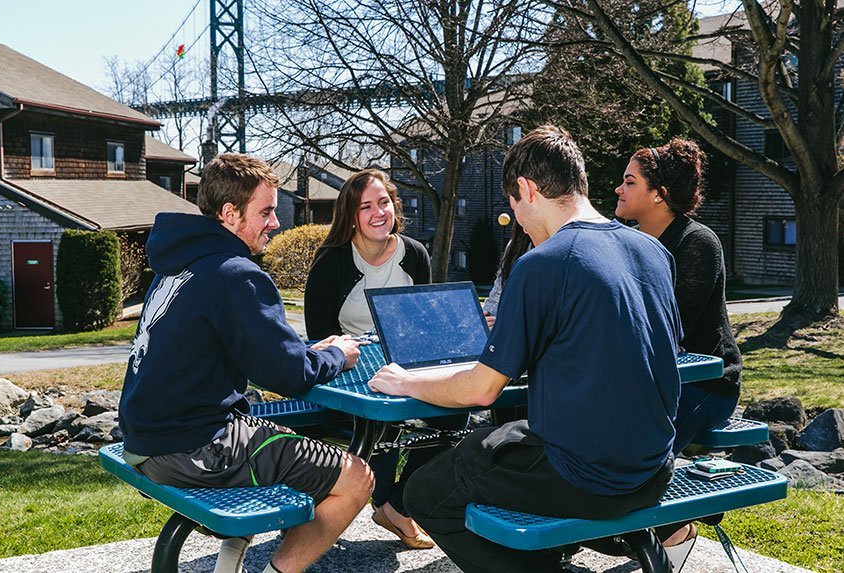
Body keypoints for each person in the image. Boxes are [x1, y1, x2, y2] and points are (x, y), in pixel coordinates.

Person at [369, 125, 684, 572]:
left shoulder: (542, 264)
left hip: (589, 478)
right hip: (655, 469)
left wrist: (407, 381)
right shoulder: (651, 251)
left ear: (527, 189)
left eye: (514, 205)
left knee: (426, 491)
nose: (516, 218)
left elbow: (481, 391)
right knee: (496, 441)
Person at [119, 154, 374, 573]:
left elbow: (254, 351)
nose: (276, 222)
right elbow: (290, 375)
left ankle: (230, 565)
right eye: (267, 211)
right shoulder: (237, 274)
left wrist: (309, 352)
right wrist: (337, 354)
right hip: (195, 447)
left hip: (148, 440)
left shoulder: (178, 266)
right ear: (229, 214)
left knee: (276, 438)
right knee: (356, 477)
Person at [304, 168, 467, 550]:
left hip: (405, 369)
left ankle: (397, 504)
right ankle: (388, 503)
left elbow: (424, 325)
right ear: (351, 215)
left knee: (457, 413)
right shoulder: (331, 264)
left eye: (384, 202)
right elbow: (319, 341)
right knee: (381, 421)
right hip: (352, 375)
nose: (379, 212)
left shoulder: (415, 254)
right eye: (366, 207)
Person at [615, 138, 743, 566]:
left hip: (704, 386)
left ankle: (674, 529)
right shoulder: (627, 242)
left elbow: (668, 327)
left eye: (629, 181)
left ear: (659, 194)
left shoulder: (697, 243)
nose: (618, 189)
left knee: (631, 465)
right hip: (646, 383)